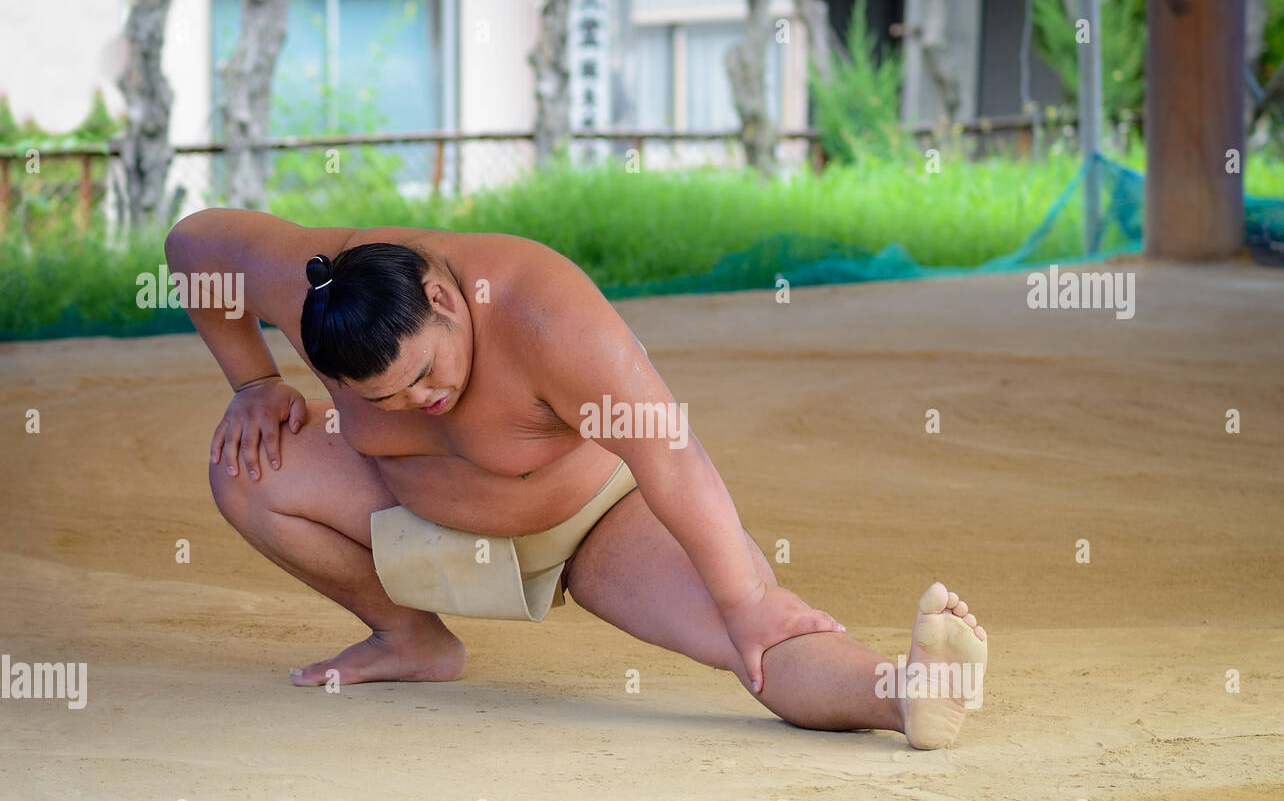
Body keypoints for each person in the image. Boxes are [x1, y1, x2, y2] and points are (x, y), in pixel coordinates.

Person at [165, 209, 988, 749]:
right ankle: (411, 639)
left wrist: (742, 599)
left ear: (443, 297)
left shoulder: (546, 314)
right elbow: (193, 245)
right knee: (244, 467)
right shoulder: (324, 286)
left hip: (591, 520)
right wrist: (257, 383)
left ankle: (905, 692)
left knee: (752, 640)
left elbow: (667, 449)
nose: (423, 402)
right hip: (411, 504)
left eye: (426, 375)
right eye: (390, 399)